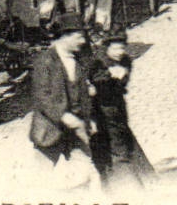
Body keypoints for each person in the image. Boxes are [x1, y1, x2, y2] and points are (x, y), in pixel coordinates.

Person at [30, 11, 95, 185]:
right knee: (39, 178)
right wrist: (63, 115)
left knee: (83, 173)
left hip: (77, 130)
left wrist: (89, 119)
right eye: (78, 37)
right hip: (50, 129)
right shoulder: (45, 61)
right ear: (65, 37)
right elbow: (42, 96)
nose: (82, 41)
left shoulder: (80, 59)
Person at [88, 32, 154, 189]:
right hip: (99, 111)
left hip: (117, 108)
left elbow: (123, 82)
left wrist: (118, 78)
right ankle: (123, 183)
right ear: (107, 48)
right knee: (112, 148)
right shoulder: (98, 62)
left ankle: (138, 180)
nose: (119, 52)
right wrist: (109, 77)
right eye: (115, 48)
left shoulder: (125, 61)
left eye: (122, 48)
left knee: (123, 143)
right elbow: (94, 83)